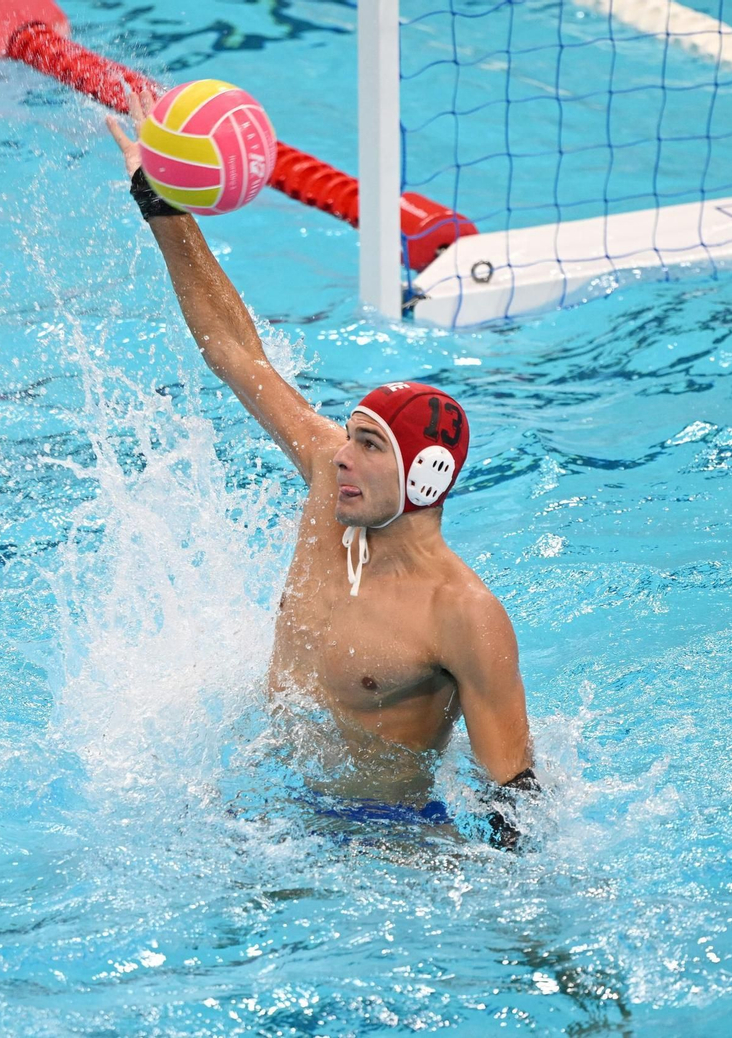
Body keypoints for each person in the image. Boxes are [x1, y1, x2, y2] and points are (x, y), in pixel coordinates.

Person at [105, 90, 540, 846]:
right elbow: (232, 349)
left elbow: (516, 796)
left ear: (424, 480)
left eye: (369, 445)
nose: (340, 454)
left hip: (384, 839)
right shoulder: (324, 476)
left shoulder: (462, 614)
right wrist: (161, 202)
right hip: (266, 800)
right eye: (349, 436)